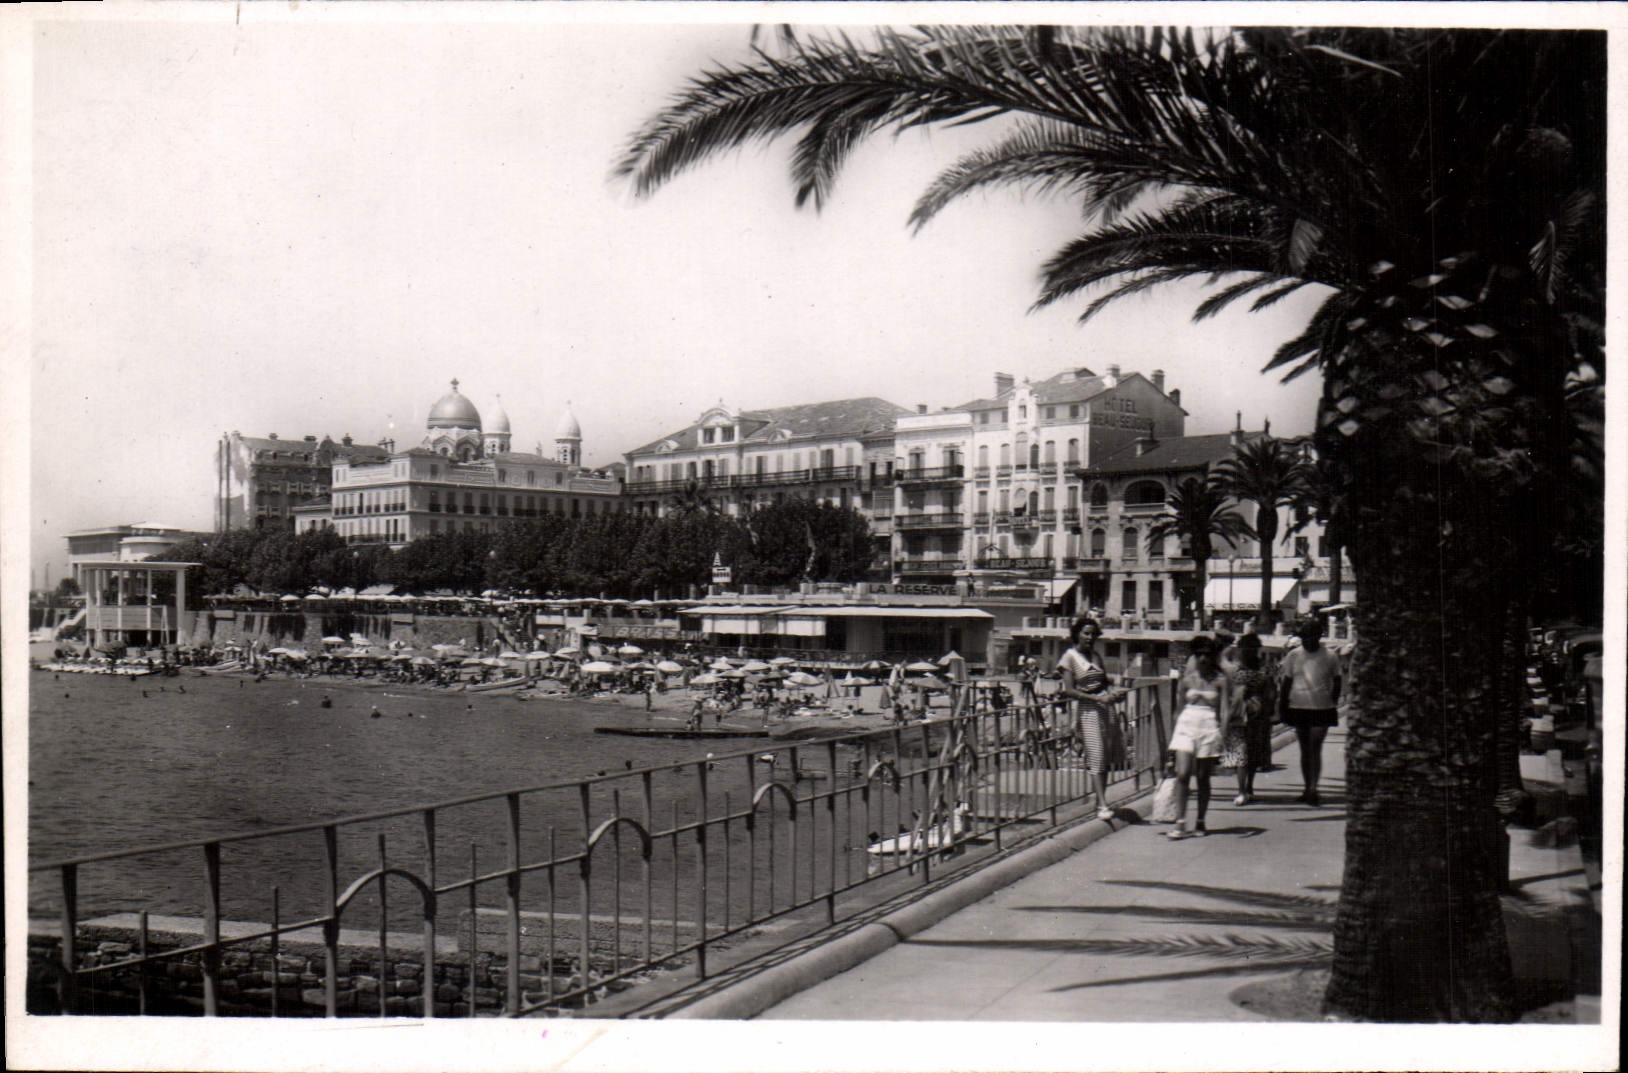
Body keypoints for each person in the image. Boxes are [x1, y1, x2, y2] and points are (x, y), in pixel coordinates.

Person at [1056, 617, 1126, 822]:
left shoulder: (1095, 656)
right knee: (1095, 755)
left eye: (1093, 634)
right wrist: (1096, 698)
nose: (1090, 637)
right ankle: (1103, 804)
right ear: (1077, 634)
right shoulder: (1069, 657)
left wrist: (1114, 692)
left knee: (1105, 756)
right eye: (1086, 633)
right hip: (1088, 710)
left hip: (1106, 708)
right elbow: (1069, 690)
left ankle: (1100, 800)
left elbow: (1103, 681)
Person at [1166, 634, 1230, 839]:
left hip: (1209, 725)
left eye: (1207, 655)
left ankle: (1200, 820)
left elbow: (1225, 711)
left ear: (1213, 657)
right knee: (1183, 773)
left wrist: (1223, 734)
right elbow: (1178, 709)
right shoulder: (1186, 680)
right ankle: (1180, 822)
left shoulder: (1220, 680)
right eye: (1199, 654)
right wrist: (1172, 737)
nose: (1203, 658)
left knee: (1203, 777)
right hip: (1187, 723)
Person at [1281, 618, 1342, 805]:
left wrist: (1333, 700)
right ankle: (1307, 788)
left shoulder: (1330, 655)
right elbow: (1286, 682)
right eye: (1304, 638)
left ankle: (1314, 788)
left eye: (1311, 637)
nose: (1307, 641)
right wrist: (1282, 704)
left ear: (1319, 637)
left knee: (1315, 748)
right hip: (1298, 706)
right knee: (1305, 749)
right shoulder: (1293, 655)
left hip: (1322, 708)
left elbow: (1338, 679)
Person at [1222, 633, 1275, 805]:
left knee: (1248, 752)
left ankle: (1246, 789)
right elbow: (1270, 692)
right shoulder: (1261, 669)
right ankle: (1244, 789)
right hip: (1248, 713)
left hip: (1249, 713)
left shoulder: (1236, 670)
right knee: (1245, 752)